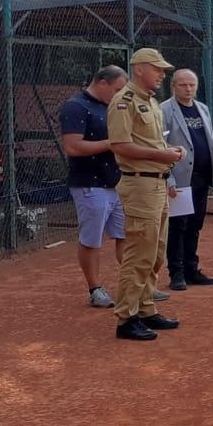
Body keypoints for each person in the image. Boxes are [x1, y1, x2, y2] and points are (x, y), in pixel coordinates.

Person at [107, 48, 184, 341]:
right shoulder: (123, 103)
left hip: (157, 183)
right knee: (139, 252)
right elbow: (120, 145)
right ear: (140, 69)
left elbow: (150, 143)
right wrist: (162, 155)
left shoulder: (149, 102)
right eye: (157, 69)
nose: (162, 74)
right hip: (139, 185)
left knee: (156, 252)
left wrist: (167, 155)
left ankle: (146, 308)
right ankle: (126, 318)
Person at [59, 65, 128, 307]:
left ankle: (136, 285)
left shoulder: (112, 105)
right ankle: (95, 289)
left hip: (116, 182)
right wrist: (112, 143)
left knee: (125, 236)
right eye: (117, 89)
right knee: (92, 239)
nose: (120, 95)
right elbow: (73, 147)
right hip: (89, 184)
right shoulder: (75, 106)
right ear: (102, 83)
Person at [162, 68, 213, 291]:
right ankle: (176, 273)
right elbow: (159, 148)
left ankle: (192, 270)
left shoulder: (203, 109)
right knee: (178, 226)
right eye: (183, 85)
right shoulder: (165, 111)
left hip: (201, 178)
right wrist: (167, 179)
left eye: (192, 85)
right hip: (179, 180)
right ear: (173, 86)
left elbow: (212, 144)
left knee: (195, 225)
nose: (188, 89)